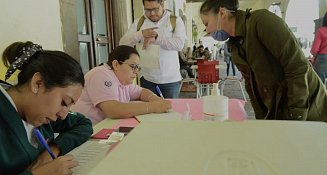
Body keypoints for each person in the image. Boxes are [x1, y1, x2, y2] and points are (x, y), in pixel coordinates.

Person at [200, 0, 327, 120]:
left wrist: (296, 115)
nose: (207, 30)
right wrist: (262, 119)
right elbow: (250, 85)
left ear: (222, 13)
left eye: (206, 23)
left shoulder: (261, 21)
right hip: (281, 109)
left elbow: (297, 67)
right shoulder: (235, 44)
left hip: (308, 107)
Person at [0, 41, 93, 174]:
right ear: (38, 83)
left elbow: (83, 123)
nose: (63, 115)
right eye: (64, 102)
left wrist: (53, 150)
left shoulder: (39, 114)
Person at [71, 45, 171, 125]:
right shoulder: (101, 74)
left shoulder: (121, 79)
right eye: (133, 66)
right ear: (115, 64)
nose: (136, 72)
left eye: (138, 67)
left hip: (105, 126)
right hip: (88, 132)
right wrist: (152, 106)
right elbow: (113, 110)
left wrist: (153, 98)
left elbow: (141, 92)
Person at [119, 0, 186, 98]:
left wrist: (156, 39)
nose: (152, 13)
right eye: (148, 10)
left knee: (171, 111)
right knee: (149, 111)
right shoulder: (139, 22)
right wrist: (141, 34)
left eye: (155, 9)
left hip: (170, 80)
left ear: (162, 4)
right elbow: (123, 43)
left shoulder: (175, 20)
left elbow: (179, 44)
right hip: (147, 79)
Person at [311, 12, 327, 84]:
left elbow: (315, 49)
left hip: (323, 59)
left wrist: (314, 57)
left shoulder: (321, 30)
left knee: (319, 83)